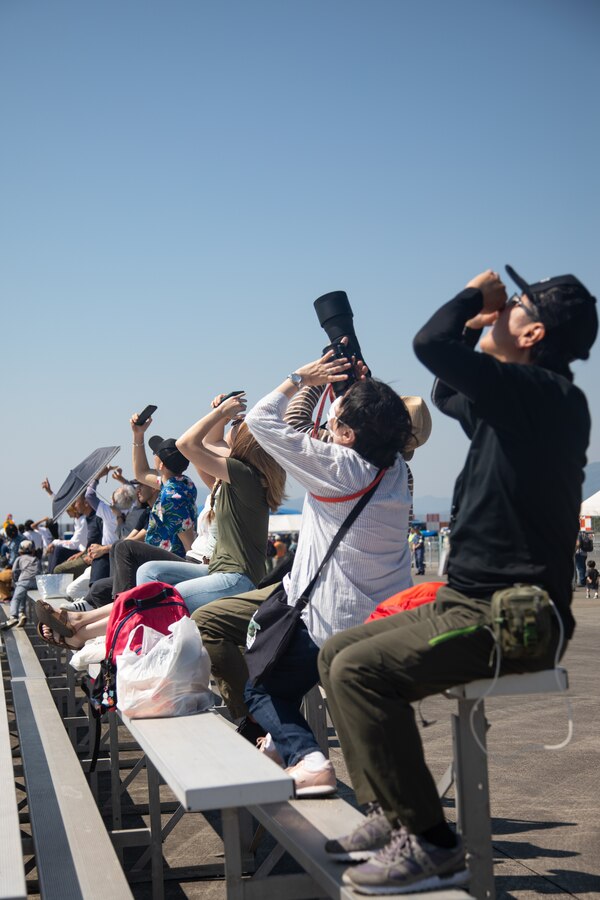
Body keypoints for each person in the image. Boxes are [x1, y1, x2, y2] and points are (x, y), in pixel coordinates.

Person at [318, 265, 597, 895]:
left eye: (513, 308)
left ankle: (433, 844)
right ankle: (392, 815)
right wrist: (479, 327)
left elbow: (429, 346)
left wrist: (473, 296)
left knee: (362, 674)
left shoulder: (544, 397)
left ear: (535, 334)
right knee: (337, 652)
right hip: (469, 601)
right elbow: (446, 391)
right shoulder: (519, 403)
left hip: (516, 619)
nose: (500, 314)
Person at [133, 393, 286, 612]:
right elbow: (210, 442)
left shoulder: (244, 473)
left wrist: (219, 414)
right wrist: (221, 417)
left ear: (245, 443)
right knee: (148, 572)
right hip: (218, 570)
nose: (234, 422)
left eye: (236, 424)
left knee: (158, 599)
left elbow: (187, 444)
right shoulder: (236, 477)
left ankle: (153, 635)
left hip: (236, 578)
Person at [2, 540, 41, 628]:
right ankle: (21, 613)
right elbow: (39, 570)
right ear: (33, 550)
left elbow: (14, 571)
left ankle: (13, 617)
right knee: (24, 595)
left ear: (20, 551)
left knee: (16, 598)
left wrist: (16, 582)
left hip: (24, 580)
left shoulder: (19, 558)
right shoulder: (35, 559)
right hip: (36, 582)